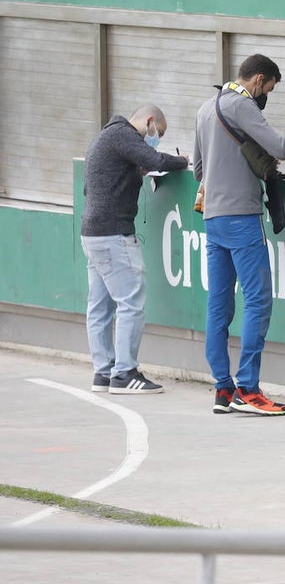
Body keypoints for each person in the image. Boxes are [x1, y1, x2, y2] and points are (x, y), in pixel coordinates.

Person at [192, 54, 285, 416]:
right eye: (268, 88)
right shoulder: (242, 105)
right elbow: (278, 146)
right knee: (258, 301)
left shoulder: (206, 107)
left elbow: (198, 169)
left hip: (213, 218)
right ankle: (248, 389)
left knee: (219, 305)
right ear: (258, 80)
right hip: (242, 216)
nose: (266, 96)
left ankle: (223, 389)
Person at [81, 105, 189, 394]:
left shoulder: (105, 136)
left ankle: (103, 373)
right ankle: (124, 373)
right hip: (113, 234)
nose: (156, 139)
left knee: (100, 307)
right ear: (149, 121)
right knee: (130, 303)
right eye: (158, 133)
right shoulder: (123, 134)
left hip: (93, 233)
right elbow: (156, 159)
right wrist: (182, 161)